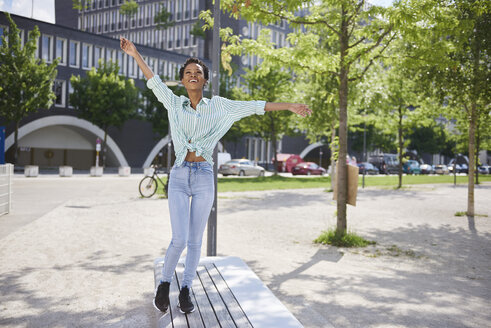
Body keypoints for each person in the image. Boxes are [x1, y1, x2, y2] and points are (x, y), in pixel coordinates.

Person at [120, 37, 312, 315]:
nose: (193, 75)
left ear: (205, 80)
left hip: (203, 176)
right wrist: (135, 53)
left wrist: (290, 105)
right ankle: (164, 285)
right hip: (179, 174)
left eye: (198, 72)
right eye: (188, 73)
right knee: (179, 239)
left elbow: (255, 105)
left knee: (196, 240)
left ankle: (186, 289)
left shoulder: (221, 107)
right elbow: (154, 81)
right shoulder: (174, 105)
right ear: (184, 82)